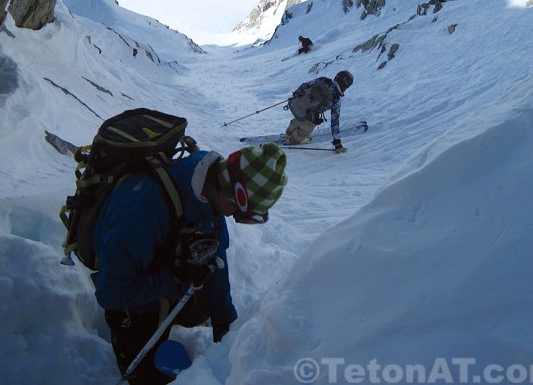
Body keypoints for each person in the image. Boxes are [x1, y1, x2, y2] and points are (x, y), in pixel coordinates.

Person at [93, 142, 288, 384]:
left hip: (163, 263)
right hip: (127, 286)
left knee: (200, 308)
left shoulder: (211, 187)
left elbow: (216, 257)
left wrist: (225, 323)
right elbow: (111, 293)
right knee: (148, 376)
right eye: (238, 212)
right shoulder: (145, 209)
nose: (232, 218)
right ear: (232, 192)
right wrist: (172, 279)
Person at [285, 70, 354, 152]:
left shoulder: (323, 80)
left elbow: (305, 85)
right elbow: (334, 122)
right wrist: (337, 144)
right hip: (310, 118)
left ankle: (288, 133)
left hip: (298, 106)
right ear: (345, 86)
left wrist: (296, 94)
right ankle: (292, 141)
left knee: (298, 119)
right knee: (305, 129)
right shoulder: (336, 100)